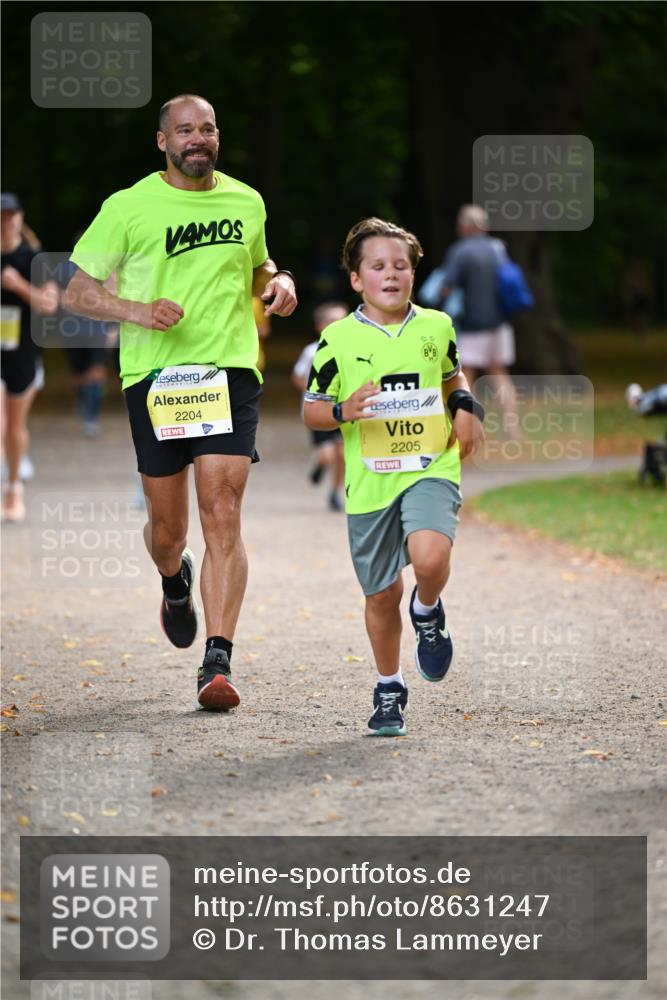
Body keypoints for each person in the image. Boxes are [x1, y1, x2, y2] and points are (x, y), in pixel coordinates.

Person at [63, 94, 297, 711]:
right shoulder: (128, 206)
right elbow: (77, 293)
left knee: (222, 510)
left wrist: (278, 281)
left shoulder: (246, 201)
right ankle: (174, 579)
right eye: (186, 130)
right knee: (169, 532)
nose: (199, 138)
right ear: (162, 141)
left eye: (209, 128)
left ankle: (216, 661)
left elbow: (257, 265)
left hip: (228, 372)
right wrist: (136, 311)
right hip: (156, 379)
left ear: (218, 138)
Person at [303, 218, 485, 736]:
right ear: (357, 279)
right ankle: (389, 687)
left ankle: (427, 609)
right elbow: (311, 410)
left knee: (430, 557)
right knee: (381, 596)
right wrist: (344, 410)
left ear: (413, 274)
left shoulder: (436, 326)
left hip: (431, 465)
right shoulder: (336, 339)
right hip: (370, 481)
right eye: (378, 266)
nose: (391, 274)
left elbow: (453, 376)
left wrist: (467, 406)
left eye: (401, 266)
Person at [1, 193, 59, 522]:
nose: (6, 221)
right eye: (1, 216)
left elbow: (49, 304)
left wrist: (18, 284)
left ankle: (13, 487)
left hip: (22, 352)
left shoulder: (33, 259)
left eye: (10, 215)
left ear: (20, 218)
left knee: (14, 427)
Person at [442, 204, 518, 434]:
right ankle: (512, 427)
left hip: (473, 326)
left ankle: (468, 428)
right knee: (499, 374)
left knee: (465, 377)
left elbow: (446, 287)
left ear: (464, 226)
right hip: (500, 324)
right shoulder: (498, 248)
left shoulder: (461, 251)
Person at [291, 301, 348, 511]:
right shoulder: (311, 351)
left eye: (342, 320)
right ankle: (320, 465)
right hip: (319, 410)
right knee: (327, 454)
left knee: (342, 455)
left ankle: (334, 492)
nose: (338, 325)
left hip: (343, 411)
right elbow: (297, 376)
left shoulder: (351, 350)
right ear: (320, 326)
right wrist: (312, 392)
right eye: (332, 321)